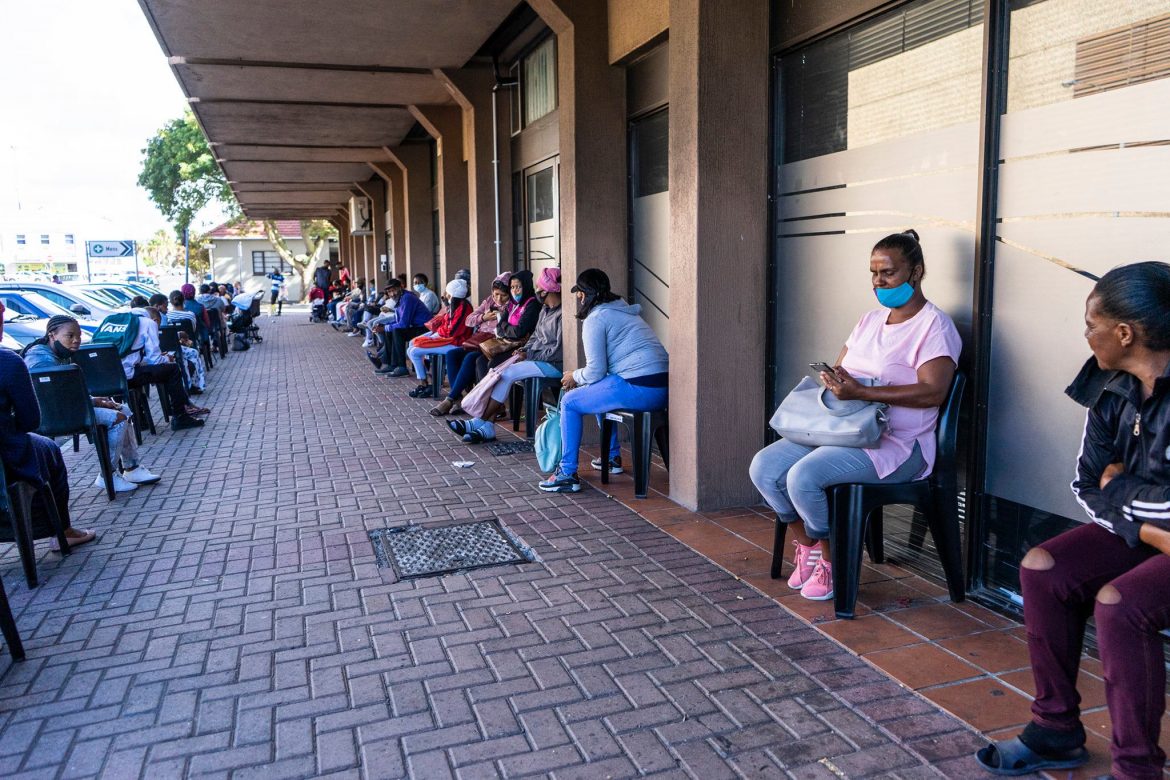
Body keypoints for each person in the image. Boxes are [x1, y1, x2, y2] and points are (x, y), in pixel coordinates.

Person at [975, 262, 1170, 779]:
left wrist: (1122, 487)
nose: (1086, 336)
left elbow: (1113, 486)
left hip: (1145, 528)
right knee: (1043, 567)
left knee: (1120, 604)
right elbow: (1087, 482)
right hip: (1153, 534)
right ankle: (1056, 731)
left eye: (1092, 324)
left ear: (1125, 333)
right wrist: (1147, 524)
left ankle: (1138, 768)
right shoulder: (1109, 385)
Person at [748, 230, 961, 602]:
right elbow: (844, 367)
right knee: (764, 467)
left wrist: (862, 391)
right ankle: (809, 544)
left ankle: (833, 559)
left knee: (804, 476)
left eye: (888, 273)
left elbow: (934, 391)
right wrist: (838, 380)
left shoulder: (934, 326)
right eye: (873, 273)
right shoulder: (868, 321)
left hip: (898, 444)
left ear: (916, 272)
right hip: (845, 430)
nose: (879, 282)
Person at [538, 268, 669, 494]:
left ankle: (567, 473)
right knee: (596, 389)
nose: (578, 298)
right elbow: (600, 377)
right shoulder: (626, 312)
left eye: (578, 293)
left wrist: (573, 376)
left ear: (583, 294)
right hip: (663, 389)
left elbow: (595, 371)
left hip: (638, 388)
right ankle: (611, 457)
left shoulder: (596, 318)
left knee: (570, 402)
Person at [22, 315, 162, 493]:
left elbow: (69, 391)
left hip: (71, 407)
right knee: (118, 418)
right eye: (70, 336)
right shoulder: (40, 359)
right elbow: (55, 395)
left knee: (123, 409)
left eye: (79, 336)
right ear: (52, 335)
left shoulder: (60, 353)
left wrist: (97, 400)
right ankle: (107, 475)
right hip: (55, 414)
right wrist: (93, 402)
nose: (76, 341)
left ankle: (132, 468)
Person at [0, 318, 97, 549]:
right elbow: (31, 420)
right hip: (7, 452)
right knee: (50, 449)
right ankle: (62, 530)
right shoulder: (8, 361)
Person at [449, 268, 563, 438]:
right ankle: (485, 425)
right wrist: (525, 350)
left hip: (553, 364)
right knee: (500, 371)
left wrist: (529, 355)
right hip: (536, 359)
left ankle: (479, 421)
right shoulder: (545, 310)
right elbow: (534, 337)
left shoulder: (562, 314)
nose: (537, 291)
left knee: (506, 372)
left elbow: (558, 350)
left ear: (548, 290)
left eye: (539, 288)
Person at [430, 273, 511, 415]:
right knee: (452, 354)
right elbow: (469, 320)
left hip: (495, 345)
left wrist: (501, 317)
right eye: (496, 294)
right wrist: (483, 317)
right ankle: (459, 398)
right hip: (478, 341)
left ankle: (450, 399)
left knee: (470, 358)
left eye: (503, 295)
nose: (499, 299)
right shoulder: (488, 302)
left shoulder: (512, 306)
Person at [120, 303, 207, 430]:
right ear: (155, 321)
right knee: (172, 369)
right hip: (129, 375)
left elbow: (129, 357)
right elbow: (155, 360)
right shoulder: (148, 323)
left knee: (148, 371)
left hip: (111, 378)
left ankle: (141, 420)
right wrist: (167, 358)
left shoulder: (119, 320)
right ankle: (180, 416)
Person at [404, 279, 474, 397]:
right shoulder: (453, 305)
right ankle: (428, 380)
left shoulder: (463, 308)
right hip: (445, 336)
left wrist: (437, 334)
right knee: (412, 343)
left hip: (456, 342)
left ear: (453, 295)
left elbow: (453, 331)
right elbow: (445, 325)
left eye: (447, 293)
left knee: (414, 351)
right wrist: (437, 332)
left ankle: (425, 383)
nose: (445, 295)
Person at [375, 279, 433, 377]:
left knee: (397, 331)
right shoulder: (400, 299)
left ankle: (402, 367)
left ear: (400, 288)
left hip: (425, 329)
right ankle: (392, 365)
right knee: (390, 330)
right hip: (416, 328)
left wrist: (385, 327)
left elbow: (403, 324)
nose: (392, 294)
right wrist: (384, 326)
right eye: (389, 292)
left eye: (394, 290)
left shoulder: (407, 298)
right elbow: (399, 321)